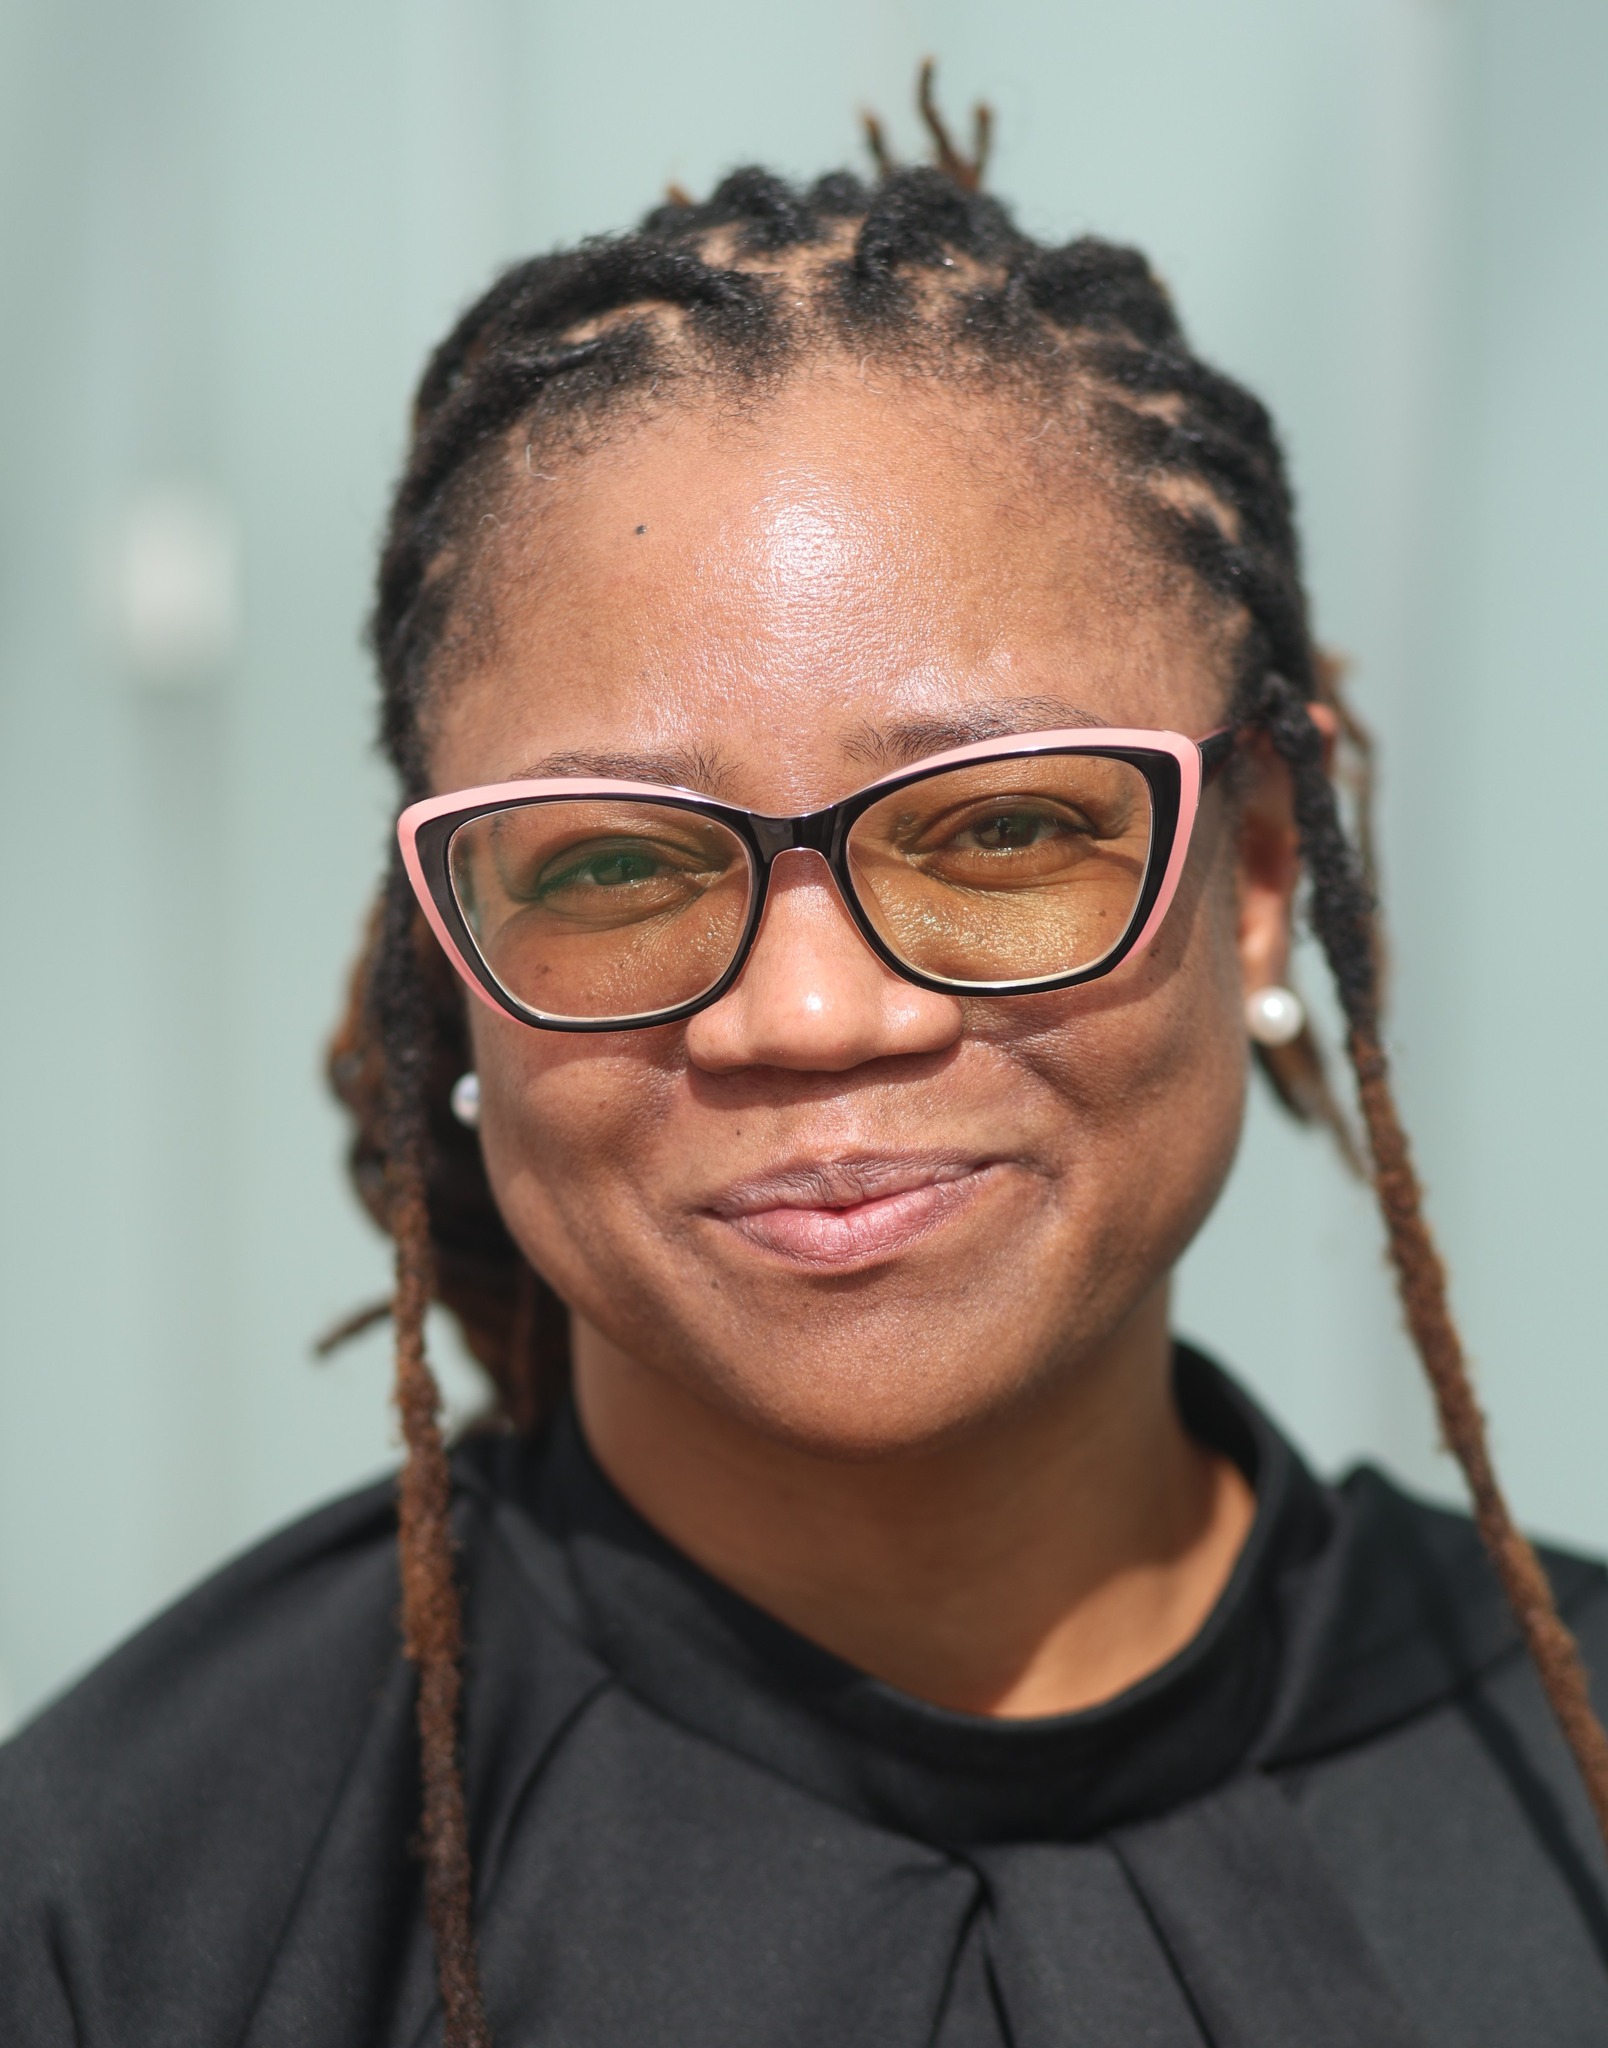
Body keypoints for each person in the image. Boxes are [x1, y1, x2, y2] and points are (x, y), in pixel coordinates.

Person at [5, 89, 1608, 2048]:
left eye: (1002, 830)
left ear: (1257, 871)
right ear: (454, 955)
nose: (815, 1013)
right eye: (615, 865)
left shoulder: (1565, 1782)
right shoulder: (127, 1916)